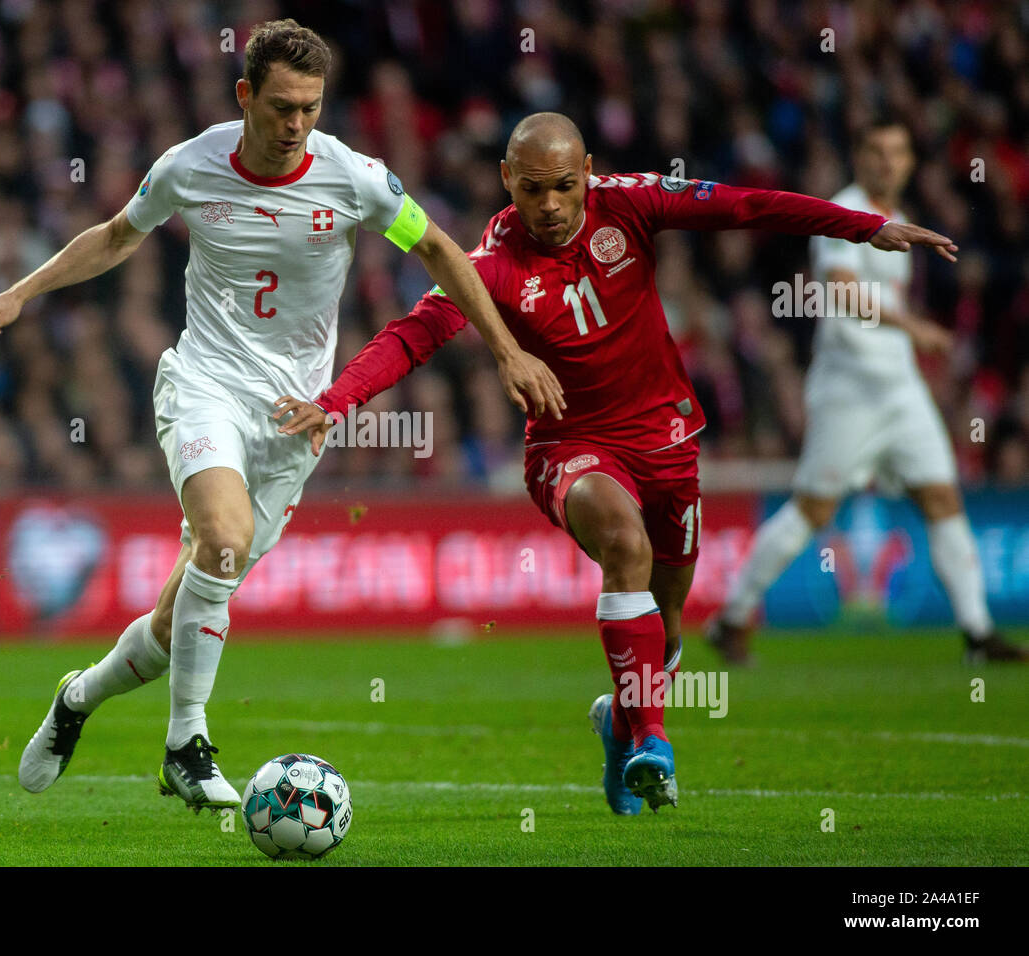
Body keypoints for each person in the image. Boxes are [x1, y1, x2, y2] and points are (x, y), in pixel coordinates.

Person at [275, 112, 959, 814]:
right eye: (532, 189)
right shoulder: (491, 265)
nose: (548, 205)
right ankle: (652, 745)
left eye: (564, 187)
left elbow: (744, 204)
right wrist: (336, 401)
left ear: (589, 171)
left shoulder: (631, 200)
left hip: (666, 438)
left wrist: (863, 226)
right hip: (569, 447)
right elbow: (412, 335)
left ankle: (619, 721)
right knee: (624, 546)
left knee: (666, 624)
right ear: (507, 179)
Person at [0, 20, 563, 811]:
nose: (295, 126)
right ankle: (186, 744)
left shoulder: (352, 177)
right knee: (224, 540)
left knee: (175, 618)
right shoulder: (191, 166)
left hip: (295, 420)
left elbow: (439, 252)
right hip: (206, 383)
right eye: (282, 107)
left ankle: (77, 697)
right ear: (245, 95)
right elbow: (117, 235)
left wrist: (503, 351)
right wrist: (21, 292)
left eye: (311, 109)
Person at [709, 120, 1026, 665]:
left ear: (908, 162)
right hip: (848, 390)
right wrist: (915, 328)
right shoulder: (845, 212)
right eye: (877, 151)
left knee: (941, 497)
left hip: (900, 388)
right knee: (813, 508)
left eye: (898, 152)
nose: (888, 162)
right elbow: (844, 294)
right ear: (859, 156)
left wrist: (910, 338)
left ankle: (977, 634)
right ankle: (733, 616)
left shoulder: (899, 219)